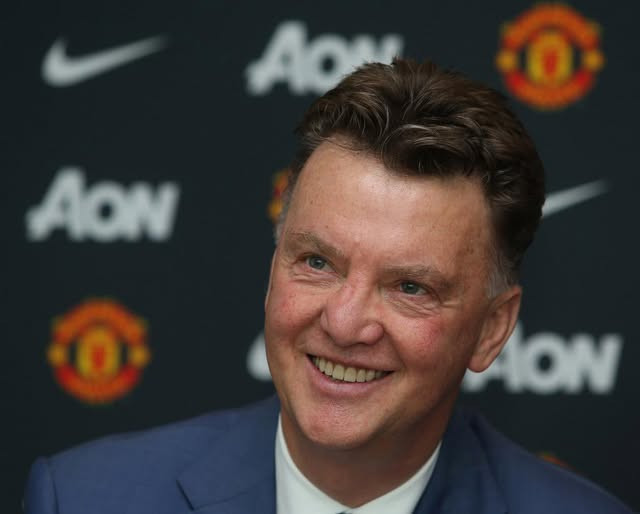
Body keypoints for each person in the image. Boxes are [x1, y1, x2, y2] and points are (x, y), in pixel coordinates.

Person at [24, 59, 632, 514]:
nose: (344, 324)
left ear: (491, 330)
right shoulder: (81, 498)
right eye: (317, 262)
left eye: (410, 287)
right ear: (273, 268)